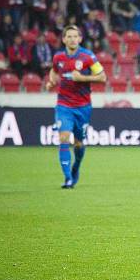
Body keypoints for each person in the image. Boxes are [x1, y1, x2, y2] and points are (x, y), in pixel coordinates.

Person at [45, 25, 107, 189]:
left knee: (79, 143)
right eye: (69, 36)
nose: (72, 39)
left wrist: (81, 78)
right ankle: (68, 179)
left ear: (80, 39)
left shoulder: (87, 57)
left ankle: (76, 166)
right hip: (64, 105)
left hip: (83, 106)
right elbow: (54, 71)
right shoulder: (58, 57)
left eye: (75, 36)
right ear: (64, 39)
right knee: (64, 138)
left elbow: (102, 77)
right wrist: (51, 81)